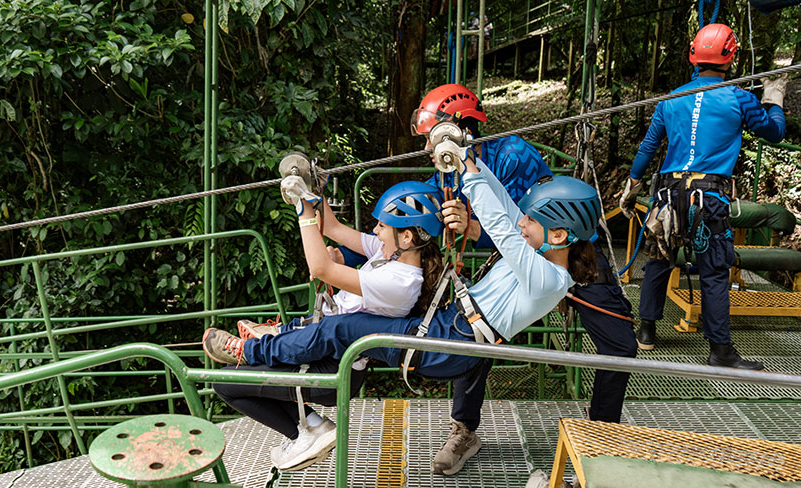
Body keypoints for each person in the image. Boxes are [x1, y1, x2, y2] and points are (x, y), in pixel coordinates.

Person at [203, 146, 603, 474]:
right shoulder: (545, 257)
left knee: (348, 329)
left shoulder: (548, 280)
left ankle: (254, 351)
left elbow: (501, 225)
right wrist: (469, 160)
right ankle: (274, 346)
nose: (522, 223)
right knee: (347, 326)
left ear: (559, 235)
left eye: (531, 221)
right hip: (450, 329)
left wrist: (469, 175)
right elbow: (508, 212)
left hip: (452, 343)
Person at [412, 84, 636, 473]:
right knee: (477, 328)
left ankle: (601, 433)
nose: (430, 151)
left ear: (459, 127)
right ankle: (464, 429)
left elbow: (530, 223)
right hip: (516, 260)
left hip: (569, 253)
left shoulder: (512, 154)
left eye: (434, 139)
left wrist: (474, 229)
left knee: (620, 347)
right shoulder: (445, 168)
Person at [208, 179, 445, 471]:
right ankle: (313, 425)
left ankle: (297, 427)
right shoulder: (388, 254)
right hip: (318, 346)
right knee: (230, 381)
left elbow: (320, 268)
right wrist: (312, 186)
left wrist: (303, 211)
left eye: (382, 226)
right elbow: (332, 228)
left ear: (406, 237)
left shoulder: (401, 281)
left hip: (330, 365)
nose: (375, 231)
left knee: (225, 384)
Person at [619, 23, 786, 369]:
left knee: (660, 258)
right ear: (731, 56)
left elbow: (649, 146)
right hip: (708, 197)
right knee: (713, 270)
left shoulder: (672, 98)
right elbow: (775, 132)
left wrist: (631, 186)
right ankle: (720, 350)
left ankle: (647, 331)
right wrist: (774, 98)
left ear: (693, 55)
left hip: (668, 194)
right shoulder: (739, 98)